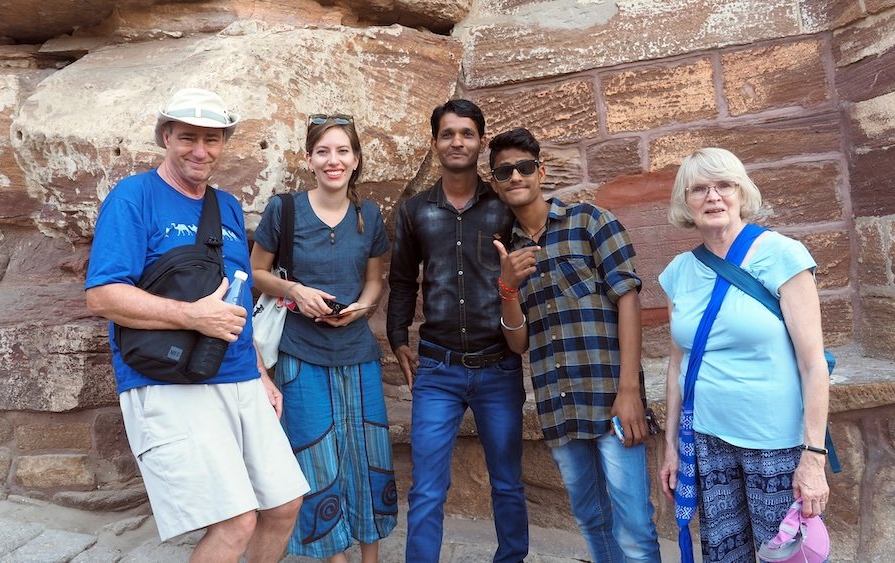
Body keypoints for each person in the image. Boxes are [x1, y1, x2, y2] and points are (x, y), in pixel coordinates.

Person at [85, 87, 308, 562]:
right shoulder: (134, 197)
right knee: (234, 523)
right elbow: (101, 296)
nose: (200, 151)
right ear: (166, 136)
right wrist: (190, 316)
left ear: (225, 142)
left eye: (212, 139)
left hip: (238, 376)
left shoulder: (225, 205)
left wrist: (262, 375)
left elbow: (237, 296)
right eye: (188, 137)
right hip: (167, 381)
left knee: (284, 504)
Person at [489, 128, 662, 563]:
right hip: (558, 404)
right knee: (589, 519)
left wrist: (629, 392)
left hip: (611, 400)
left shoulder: (590, 222)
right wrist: (508, 289)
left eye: (524, 167)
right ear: (495, 182)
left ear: (540, 171)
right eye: (504, 171)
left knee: (636, 528)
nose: (515, 176)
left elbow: (629, 299)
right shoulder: (506, 251)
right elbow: (518, 343)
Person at [657, 147, 830, 562]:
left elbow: (813, 363)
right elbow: (679, 363)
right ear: (686, 202)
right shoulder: (679, 272)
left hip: (776, 442)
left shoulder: (782, 255)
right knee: (723, 555)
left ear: (741, 193)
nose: (713, 197)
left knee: (786, 556)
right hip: (707, 439)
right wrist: (671, 447)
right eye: (699, 189)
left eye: (724, 185)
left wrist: (813, 457)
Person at [387, 100, 529, 563]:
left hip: (498, 367)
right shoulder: (414, 212)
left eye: (466, 134)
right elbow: (404, 279)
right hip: (437, 368)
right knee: (427, 487)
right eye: (447, 134)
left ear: (480, 141)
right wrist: (397, 338)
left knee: (507, 480)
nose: (457, 142)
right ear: (435, 143)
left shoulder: (504, 207)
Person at [251, 113, 396, 562]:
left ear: (355, 160)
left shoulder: (367, 216)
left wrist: (361, 309)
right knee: (315, 459)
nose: (333, 161)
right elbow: (256, 273)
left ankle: (369, 557)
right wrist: (294, 289)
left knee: (368, 455)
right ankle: (334, 557)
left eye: (343, 151)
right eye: (323, 151)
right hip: (300, 353)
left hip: (357, 353)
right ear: (309, 159)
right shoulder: (285, 210)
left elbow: (376, 280)